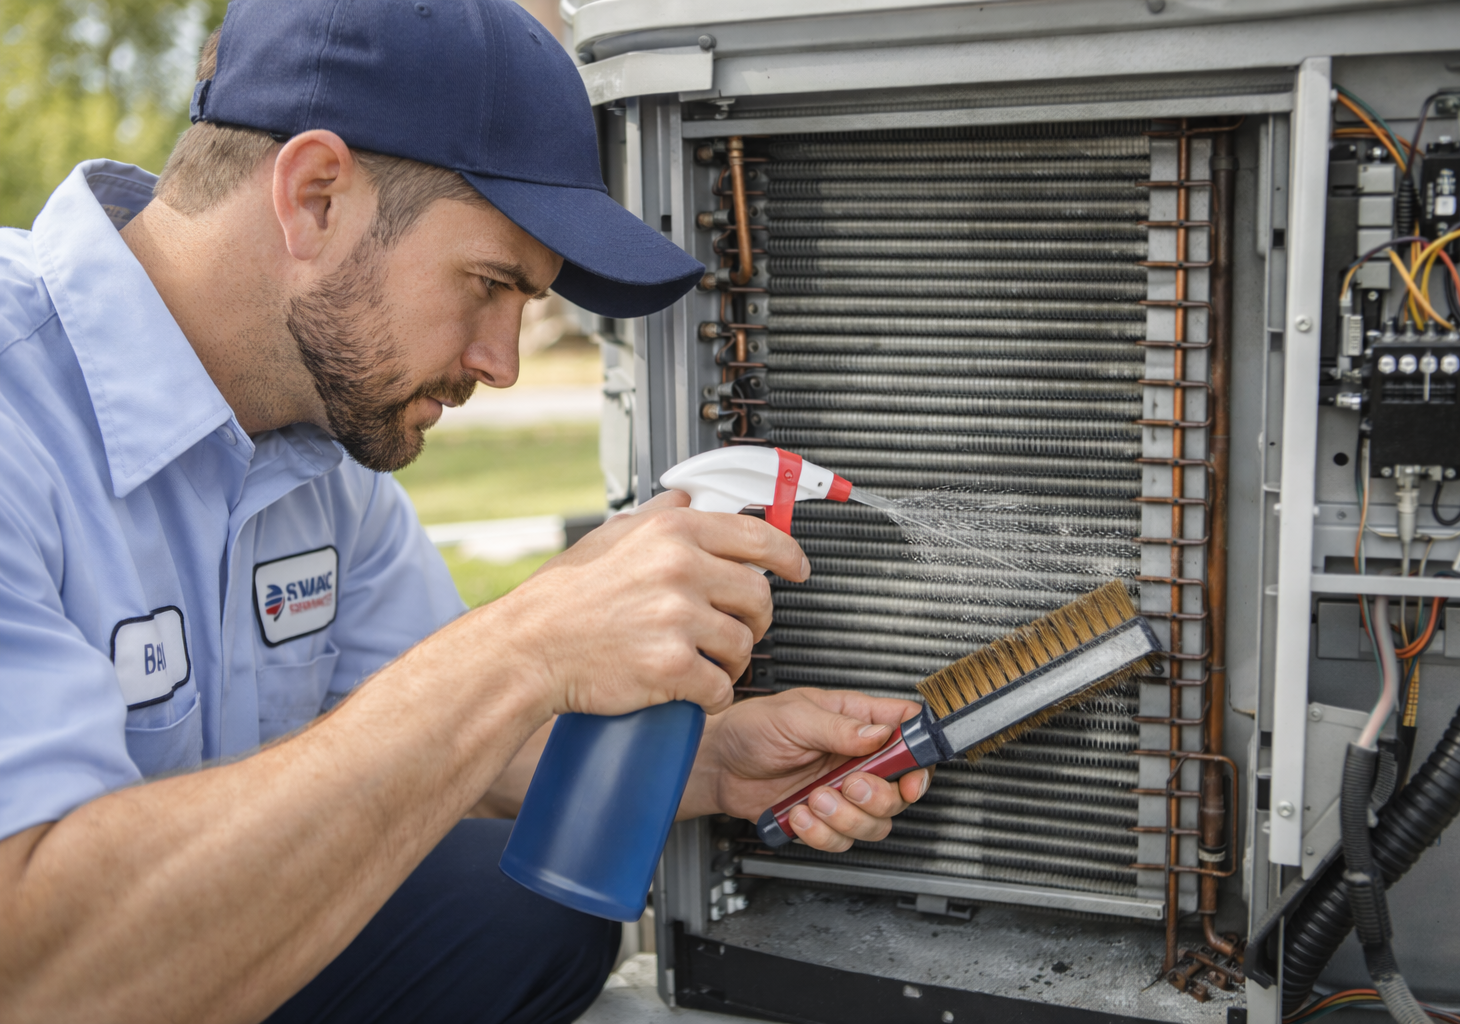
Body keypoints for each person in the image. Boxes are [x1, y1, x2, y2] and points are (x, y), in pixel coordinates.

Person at [0, 3, 932, 1022]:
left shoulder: (320, 440)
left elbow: (444, 738)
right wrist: (527, 642)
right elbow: (39, 969)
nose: (504, 361)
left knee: (524, 910)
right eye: (489, 284)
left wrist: (711, 765)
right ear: (315, 197)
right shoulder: (19, 412)